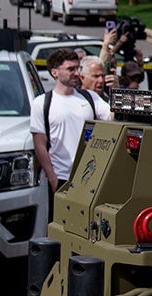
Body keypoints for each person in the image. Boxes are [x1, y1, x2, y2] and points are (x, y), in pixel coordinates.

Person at [31, 47, 111, 193]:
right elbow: (40, 145)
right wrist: (52, 178)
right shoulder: (42, 103)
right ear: (54, 72)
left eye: (77, 68)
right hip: (61, 178)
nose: (77, 73)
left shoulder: (90, 97)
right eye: (70, 69)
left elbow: (112, 118)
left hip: (90, 177)